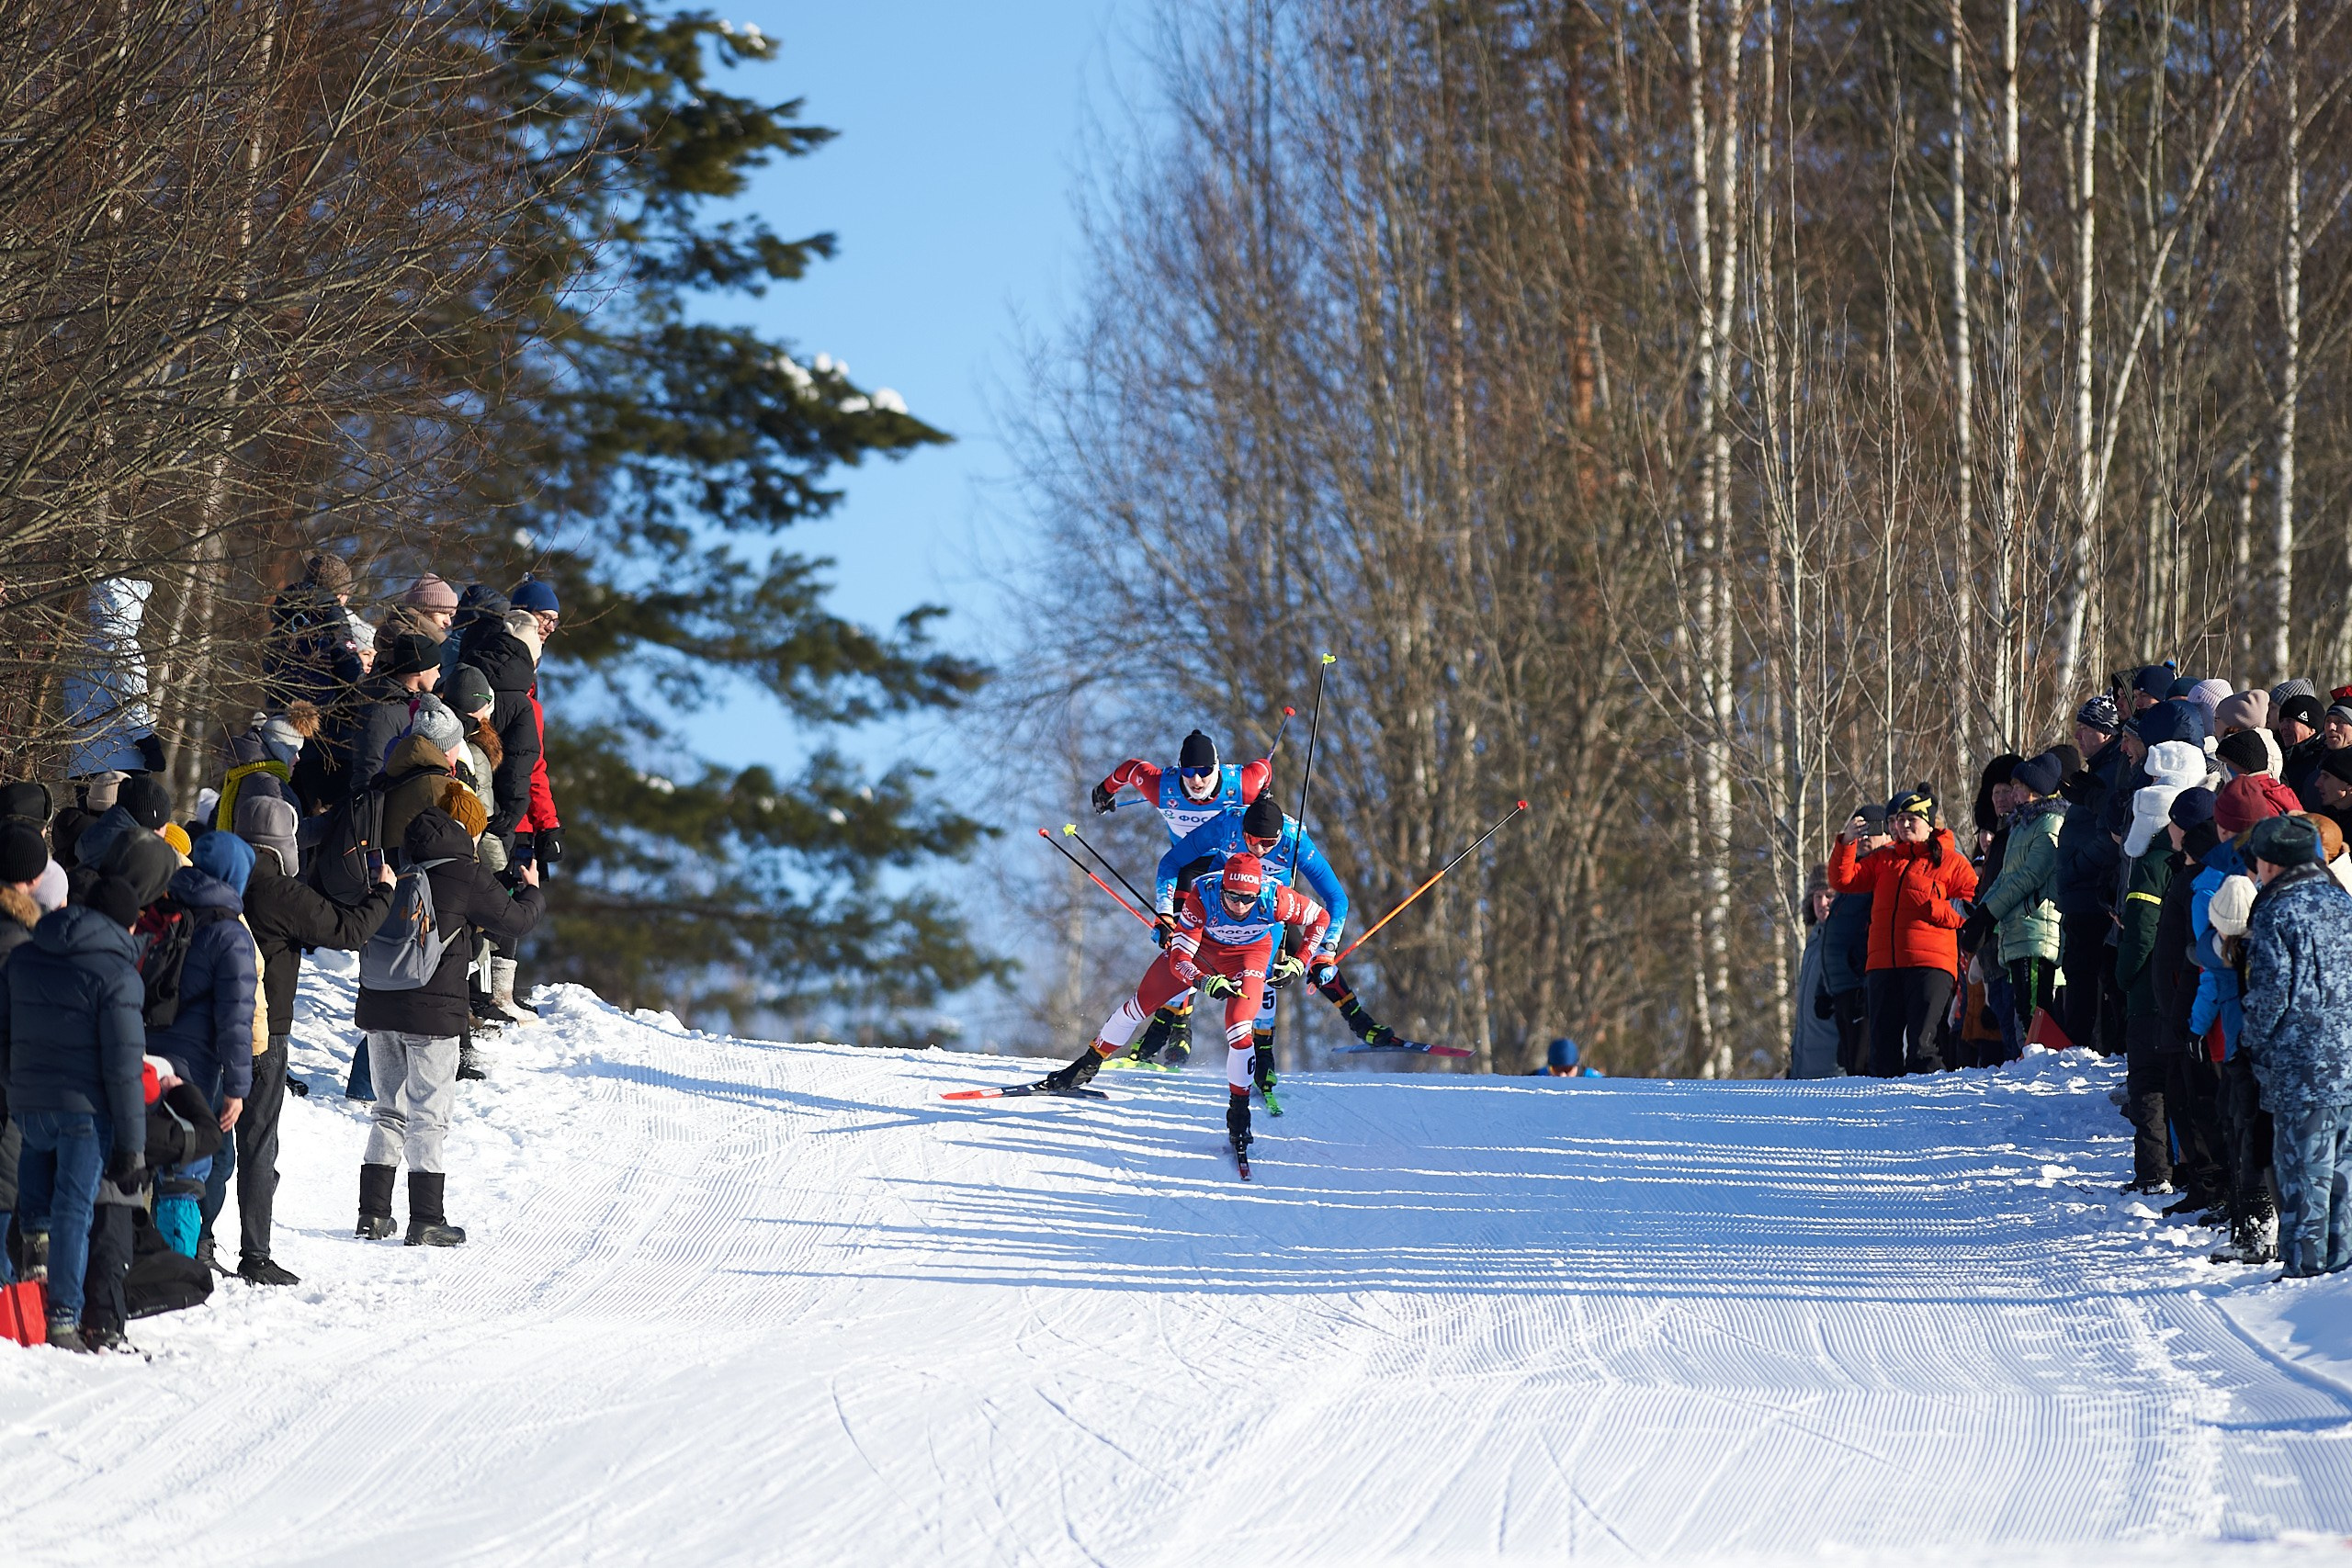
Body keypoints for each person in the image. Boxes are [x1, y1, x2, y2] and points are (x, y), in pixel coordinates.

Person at [1042, 852, 1329, 1165]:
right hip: (1202, 951)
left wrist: (1301, 962)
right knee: (1140, 1005)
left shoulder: (1278, 899)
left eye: (1248, 899)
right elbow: (1180, 959)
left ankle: (1239, 1113)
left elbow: (1321, 918)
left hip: (1249, 955)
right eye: (1233, 897)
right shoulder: (1203, 893)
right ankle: (1086, 1065)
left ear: (1258, 891)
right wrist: (1204, 981)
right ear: (1222, 889)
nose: (1240, 905)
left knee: (1239, 1027)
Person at [354, 807, 544, 1246]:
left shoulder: (397, 868)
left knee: (388, 1107)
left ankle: (372, 1215)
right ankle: (426, 1218)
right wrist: (532, 892)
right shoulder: (465, 873)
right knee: (430, 1113)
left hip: (380, 1004)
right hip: (432, 1013)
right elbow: (515, 921)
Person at [236, 799, 396, 1284]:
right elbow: (349, 930)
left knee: (210, 1141)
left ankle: (196, 1244)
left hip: (203, 1027)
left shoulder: (220, 878)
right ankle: (256, 1255)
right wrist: (385, 892)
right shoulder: (279, 891)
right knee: (259, 1143)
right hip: (266, 1033)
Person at [1155, 793, 1396, 1090]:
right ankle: (1173, 1025)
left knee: (1296, 964)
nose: (1258, 850)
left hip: (1268, 912)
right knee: (1182, 954)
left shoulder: (1295, 843)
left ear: (1279, 837)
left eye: (1268, 844)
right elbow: (1172, 863)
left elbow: (1336, 899)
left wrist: (1327, 950)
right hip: (1221, 904)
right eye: (1251, 840)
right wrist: (1165, 913)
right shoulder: (1228, 823)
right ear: (1242, 831)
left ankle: (1354, 1023)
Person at [0, 877, 149, 1350]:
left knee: (38, 1212)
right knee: (73, 1211)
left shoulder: (25, 955)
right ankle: (62, 1319)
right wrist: (132, 1146)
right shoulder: (119, 976)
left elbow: (4, 1034)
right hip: (85, 1114)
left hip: (30, 1106)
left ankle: (33, 1289)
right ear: (126, 925)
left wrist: (18, 1088)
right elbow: (124, 1068)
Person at [1091, 728, 1275, 1066]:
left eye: (1204, 771)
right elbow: (1131, 769)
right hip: (1189, 867)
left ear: (1217, 767)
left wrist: (1264, 795)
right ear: (1180, 770)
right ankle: (1178, 1021)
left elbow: (1264, 766)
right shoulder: (1164, 787)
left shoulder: (1241, 784)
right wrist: (1105, 790)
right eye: (1189, 772)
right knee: (1180, 941)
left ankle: (1186, 1024)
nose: (1196, 780)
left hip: (1233, 870)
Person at [2239, 814, 2352, 1278]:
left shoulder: (2277, 911)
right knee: (2341, 1169)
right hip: (2347, 1057)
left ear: (2271, 864)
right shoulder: (2342, 903)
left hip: (2301, 1063)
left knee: (2303, 1172)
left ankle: (2305, 1269)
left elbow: (2270, 993)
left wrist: (2250, 1040)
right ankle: (2339, 1260)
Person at [144, 831, 258, 1268]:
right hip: (191, 1069)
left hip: (140, 1054)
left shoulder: (160, 910)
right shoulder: (230, 935)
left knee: (140, 1159)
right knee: (184, 1166)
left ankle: (134, 1262)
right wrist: (237, 1087)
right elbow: (235, 1019)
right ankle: (177, 1269)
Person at [1826, 785, 1978, 1076]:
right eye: (1898, 819)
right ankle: (1884, 1113)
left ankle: (1928, 1109)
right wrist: (1846, 842)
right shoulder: (1886, 859)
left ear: (1930, 823)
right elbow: (1843, 880)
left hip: (1930, 965)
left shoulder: (1950, 861)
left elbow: (1971, 907)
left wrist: (1934, 907)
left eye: (1912, 818)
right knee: (1882, 1049)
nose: (1903, 824)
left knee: (1922, 1046)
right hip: (1883, 965)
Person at [2152, 788, 2227, 1218]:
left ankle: (2212, 1186)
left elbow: (2197, 953)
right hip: (2179, 1005)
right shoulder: (2185, 876)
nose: (2168, 830)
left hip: (2191, 1007)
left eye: (2175, 822)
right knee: (2183, 1100)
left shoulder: (2199, 884)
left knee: (2197, 1103)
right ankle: (2203, 1184)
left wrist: (2184, 1015)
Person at [1974, 750, 2068, 1046]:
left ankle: (2043, 1064)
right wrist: (1981, 912)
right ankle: (2031, 1060)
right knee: (2023, 1006)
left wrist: (1991, 913)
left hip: (2038, 926)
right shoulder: (2020, 826)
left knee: (2037, 1006)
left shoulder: (2049, 823)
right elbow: (2004, 877)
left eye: (2016, 787)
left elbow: (2031, 875)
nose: (2012, 793)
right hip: (2019, 929)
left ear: (2034, 790)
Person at [2056, 696, 2131, 1053]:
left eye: (2085, 729)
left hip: (2093, 894)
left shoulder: (2112, 772)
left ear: (2105, 732)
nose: (2077, 736)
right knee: (2082, 976)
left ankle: (2088, 1053)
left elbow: (2110, 836)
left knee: (2090, 979)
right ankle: (2083, 1049)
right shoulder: (2100, 771)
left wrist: (2075, 867)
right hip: (2081, 892)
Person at [1818, 806, 1881, 1075]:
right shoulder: (1853, 878)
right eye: (1861, 831)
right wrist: (1823, 989)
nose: (1865, 837)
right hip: (1841, 986)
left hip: (1859, 984)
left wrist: (1861, 967)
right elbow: (1836, 935)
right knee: (1849, 1062)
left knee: (1861, 1063)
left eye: (1873, 830)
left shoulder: (1879, 873)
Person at [1791, 868, 1843, 1078]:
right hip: (1803, 1064)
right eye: (1817, 896)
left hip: (1833, 1067)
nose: (1822, 903)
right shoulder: (1813, 941)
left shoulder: (1844, 938)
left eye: (1829, 896)